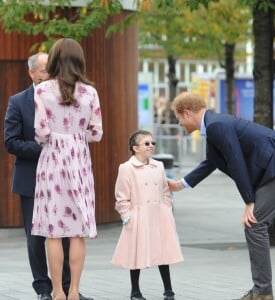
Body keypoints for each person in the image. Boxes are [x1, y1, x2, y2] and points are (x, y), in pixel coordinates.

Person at [168, 92, 275, 300]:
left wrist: (249, 201)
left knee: (254, 223)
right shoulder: (213, 125)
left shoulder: (215, 126)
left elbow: (235, 161)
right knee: (255, 225)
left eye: (178, 119)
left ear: (186, 113)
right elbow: (212, 161)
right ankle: (261, 290)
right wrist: (181, 184)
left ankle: (262, 292)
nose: (180, 124)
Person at [4, 53, 94, 300]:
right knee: (36, 239)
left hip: (64, 177)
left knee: (66, 234)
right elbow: (11, 142)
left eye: (51, 69)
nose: (49, 74)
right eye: (44, 70)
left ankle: (66, 288)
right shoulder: (18, 101)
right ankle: (44, 289)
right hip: (32, 179)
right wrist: (46, 149)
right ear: (31, 72)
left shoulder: (67, 96)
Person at [31, 38, 103, 300]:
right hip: (79, 161)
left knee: (53, 232)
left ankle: (58, 292)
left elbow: (40, 132)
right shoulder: (90, 93)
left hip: (52, 162)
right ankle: (74, 291)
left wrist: (57, 135)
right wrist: (76, 135)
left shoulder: (41, 91)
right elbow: (96, 133)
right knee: (76, 231)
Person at [111, 130, 183, 300]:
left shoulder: (158, 166)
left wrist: (166, 207)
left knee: (163, 251)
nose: (151, 146)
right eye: (146, 143)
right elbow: (121, 196)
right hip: (138, 214)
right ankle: (135, 291)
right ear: (135, 148)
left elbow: (165, 190)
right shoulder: (126, 168)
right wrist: (127, 216)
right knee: (136, 253)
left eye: (153, 143)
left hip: (158, 214)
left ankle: (168, 290)